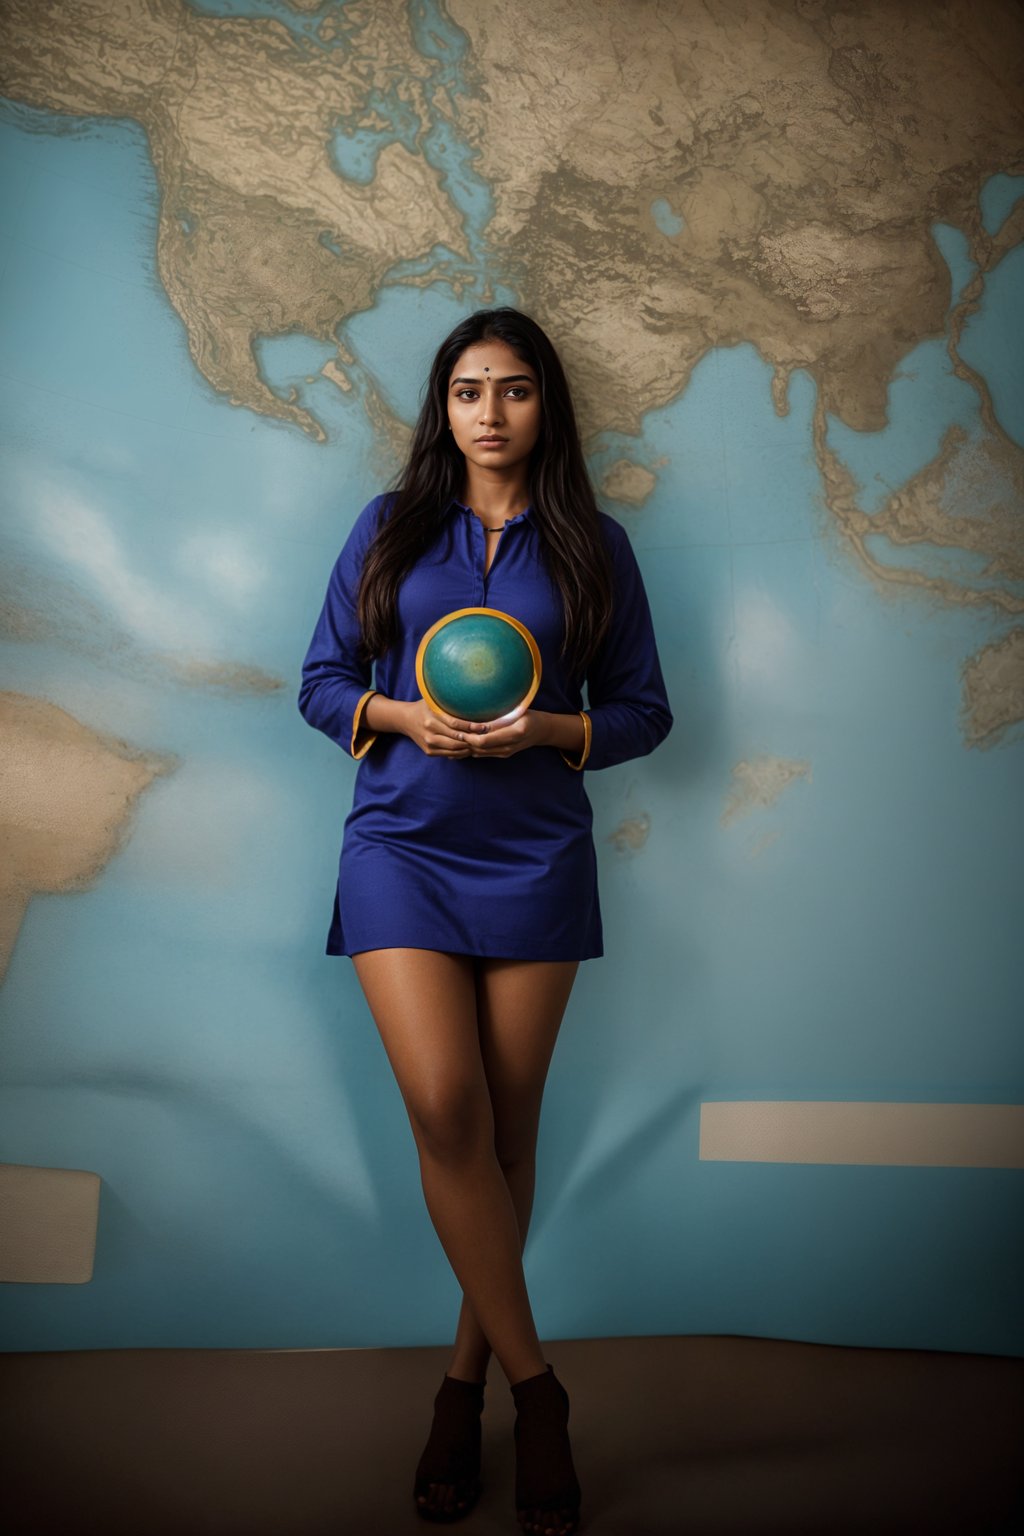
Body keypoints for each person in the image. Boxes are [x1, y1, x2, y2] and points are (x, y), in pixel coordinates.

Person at [298, 307, 673, 1535]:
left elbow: (640, 712)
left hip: (534, 857)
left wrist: (548, 732)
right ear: (442, 408)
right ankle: (540, 1391)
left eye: (513, 390)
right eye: (468, 390)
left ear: (544, 407)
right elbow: (318, 683)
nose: (490, 412)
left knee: (507, 1139)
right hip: (400, 844)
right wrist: (401, 717)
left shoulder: (595, 548)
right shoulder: (391, 528)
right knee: (446, 1110)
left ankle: (460, 1390)